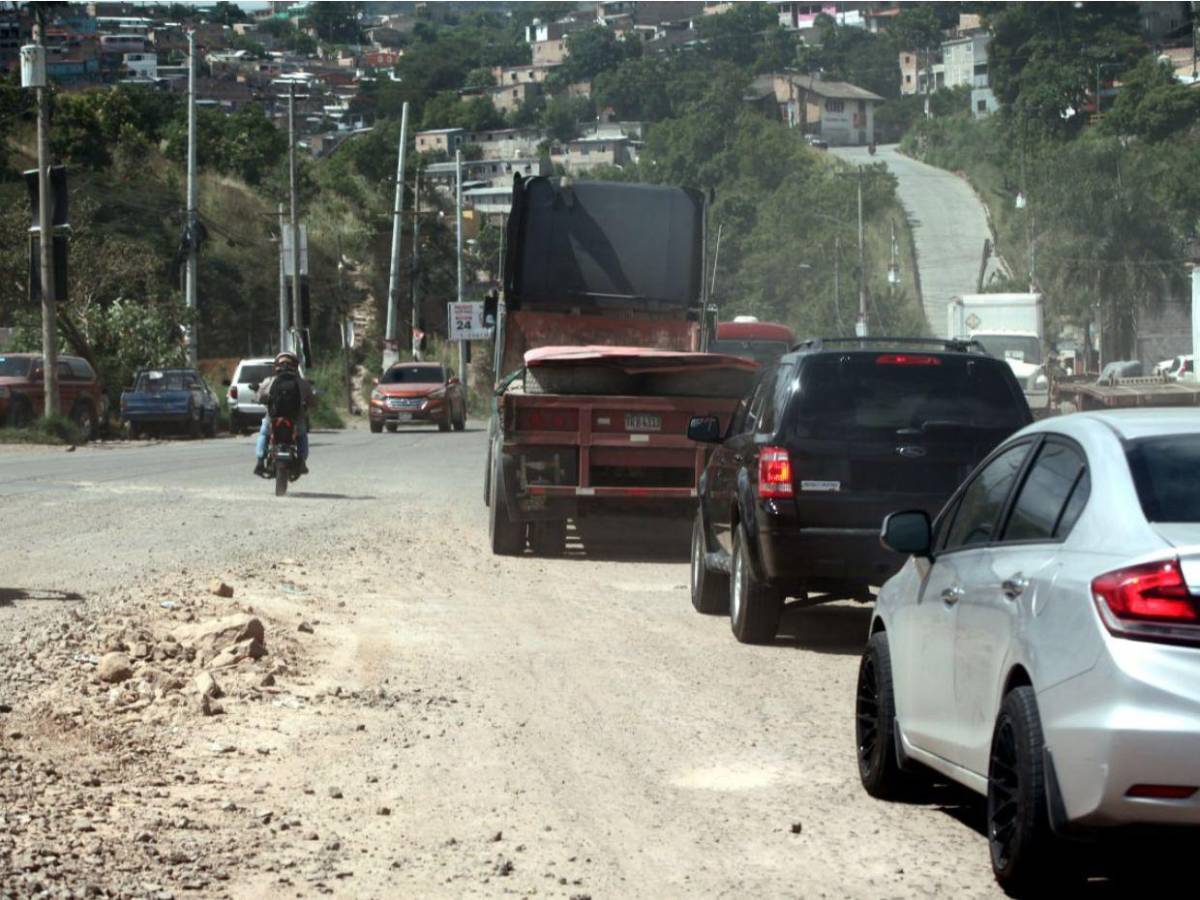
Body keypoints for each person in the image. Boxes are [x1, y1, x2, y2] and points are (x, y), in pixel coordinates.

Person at [253, 351, 315, 476]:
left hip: (272, 418)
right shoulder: (302, 383)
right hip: (296, 419)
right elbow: (312, 401)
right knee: (302, 435)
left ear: (276, 366)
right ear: (295, 366)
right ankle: (302, 461)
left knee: (264, 433)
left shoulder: (269, 381)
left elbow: (259, 397)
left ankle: (260, 461)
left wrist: (261, 399)